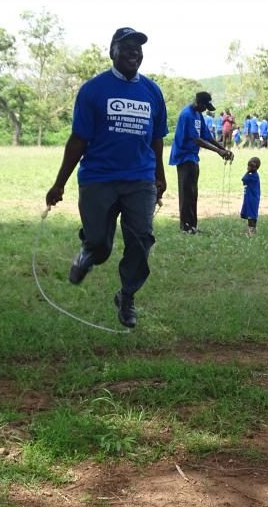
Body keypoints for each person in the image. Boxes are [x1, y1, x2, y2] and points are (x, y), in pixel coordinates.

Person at [45, 27, 167, 329]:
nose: (133, 52)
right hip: (98, 178)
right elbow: (77, 140)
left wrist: (159, 176)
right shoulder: (93, 89)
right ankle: (88, 250)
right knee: (100, 243)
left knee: (141, 240)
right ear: (112, 50)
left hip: (139, 180)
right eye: (126, 47)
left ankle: (126, 296)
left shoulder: (152, 92)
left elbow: (157, 139)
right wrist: (59, 183)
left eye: (137, 48)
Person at [169, 91, 234, 234]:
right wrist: (218, 152)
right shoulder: (187, 115)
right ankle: (186, 227)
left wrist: (224, 149)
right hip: (184, 156)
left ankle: (193, 226)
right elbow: (196, 139)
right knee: (186, 193)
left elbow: (206, 136)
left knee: (193, 193)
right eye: (205, 107)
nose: (205, 110)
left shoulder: (198, 115)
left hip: (193, 157)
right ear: (198, 103)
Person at [240, 157, 261, 235]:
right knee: (250, 214)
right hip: (251, 197)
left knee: (252, 215)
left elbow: (243, 179)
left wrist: (247, 171)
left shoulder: (253, 175)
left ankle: (251, 230)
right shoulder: (253, 174)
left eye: (249, 166)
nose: (247, 167)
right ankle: (251, 229)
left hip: (252, 198)